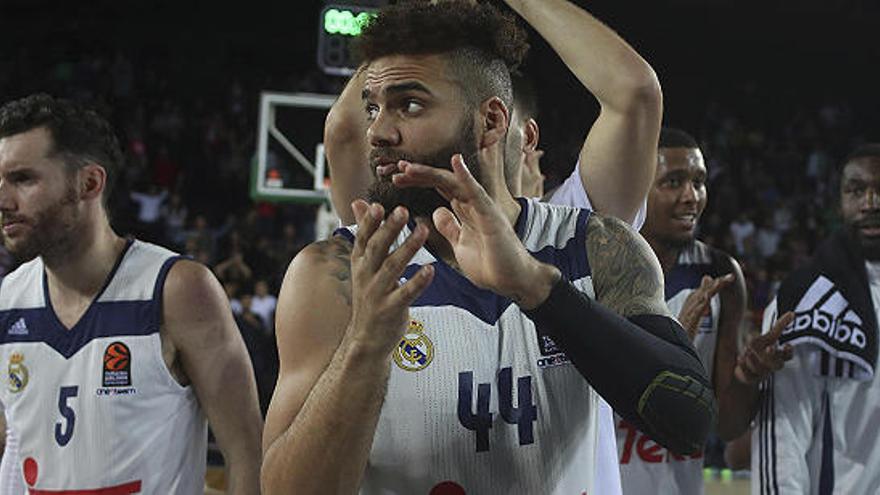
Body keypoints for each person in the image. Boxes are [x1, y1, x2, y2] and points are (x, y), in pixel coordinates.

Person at [261, 2, 714, 494]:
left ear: (493, 122)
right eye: (373, 107)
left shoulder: (595, 245)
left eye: (409, 105)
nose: (378, 132)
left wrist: (536, 286)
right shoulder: (335, 272)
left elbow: (688, 421)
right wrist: (364, 347)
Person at [0, 94, 262, 493]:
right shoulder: (9, 299)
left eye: (22, 179)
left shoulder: (178, 290)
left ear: (89, 183)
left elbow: (247, 453)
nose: (3, 200)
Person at [614, 128, 793, 494]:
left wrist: (746, 377)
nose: (690, 197)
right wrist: (671, 349)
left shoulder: (721, 275)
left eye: (699, 182)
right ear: (636, 185)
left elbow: (727, 427)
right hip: (607, 482)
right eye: (673, 182)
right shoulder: (598, 267)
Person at [754, 144, 880, 494]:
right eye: (857, 190)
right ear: (839, 201)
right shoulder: (803, 299)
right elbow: (782, 435)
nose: (871, 202)